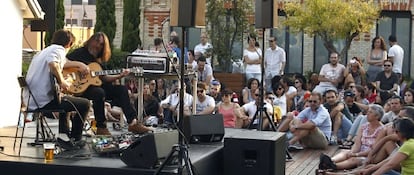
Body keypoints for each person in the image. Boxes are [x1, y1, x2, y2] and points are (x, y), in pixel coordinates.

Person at [66, 32, 151, 135]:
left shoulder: (99, 60)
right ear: (91, 40)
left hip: (97, 86)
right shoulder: (79, 53)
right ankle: (101, 127)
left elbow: (104, 77)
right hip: (81, 88)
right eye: (96, 42)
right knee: (99, 92)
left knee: (122, 90)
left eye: (101, 44)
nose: (97, 46)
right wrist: (79, 66)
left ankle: (133, 123)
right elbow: (65, 62)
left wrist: (120, 76)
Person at [23, 29, 90, 149]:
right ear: (69, 43)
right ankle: (75, 138)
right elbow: (53, 64)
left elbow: (63, 63)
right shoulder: (58, 49)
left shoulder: (44, 51)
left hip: (31, 100)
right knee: (85, 104)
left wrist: (80, 65)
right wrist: (62, 81)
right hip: (43, 102)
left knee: (66, 102)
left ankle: (64, 137)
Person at [319, 104, 385, 171]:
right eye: (368, 111)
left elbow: (374, 149)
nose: (367, 113)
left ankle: (333, 166)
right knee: (345, 153)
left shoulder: (382, 130)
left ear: (377, 116)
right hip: (360, 151)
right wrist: (352, 153)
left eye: (370, 112)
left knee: (355, 159)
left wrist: (356, 154)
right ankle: (329, 161)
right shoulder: (364, 127)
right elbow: (357, 144)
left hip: (370, 155)